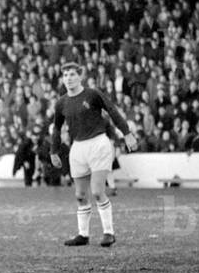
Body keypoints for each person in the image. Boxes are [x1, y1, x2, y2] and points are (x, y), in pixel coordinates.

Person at [49, 61, 138, 247]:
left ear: (79, 76)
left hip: (98, 144)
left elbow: (112, 111)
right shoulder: (62, 103)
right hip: (78, 147)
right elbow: (57, 129)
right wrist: (53, 151)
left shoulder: (92, 94)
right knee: (80, 195)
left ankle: (109, 233)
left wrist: (127, 133)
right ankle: (83, 235)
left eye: (72, 74)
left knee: (97, 190)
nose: (69, 78)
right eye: (65, 75)